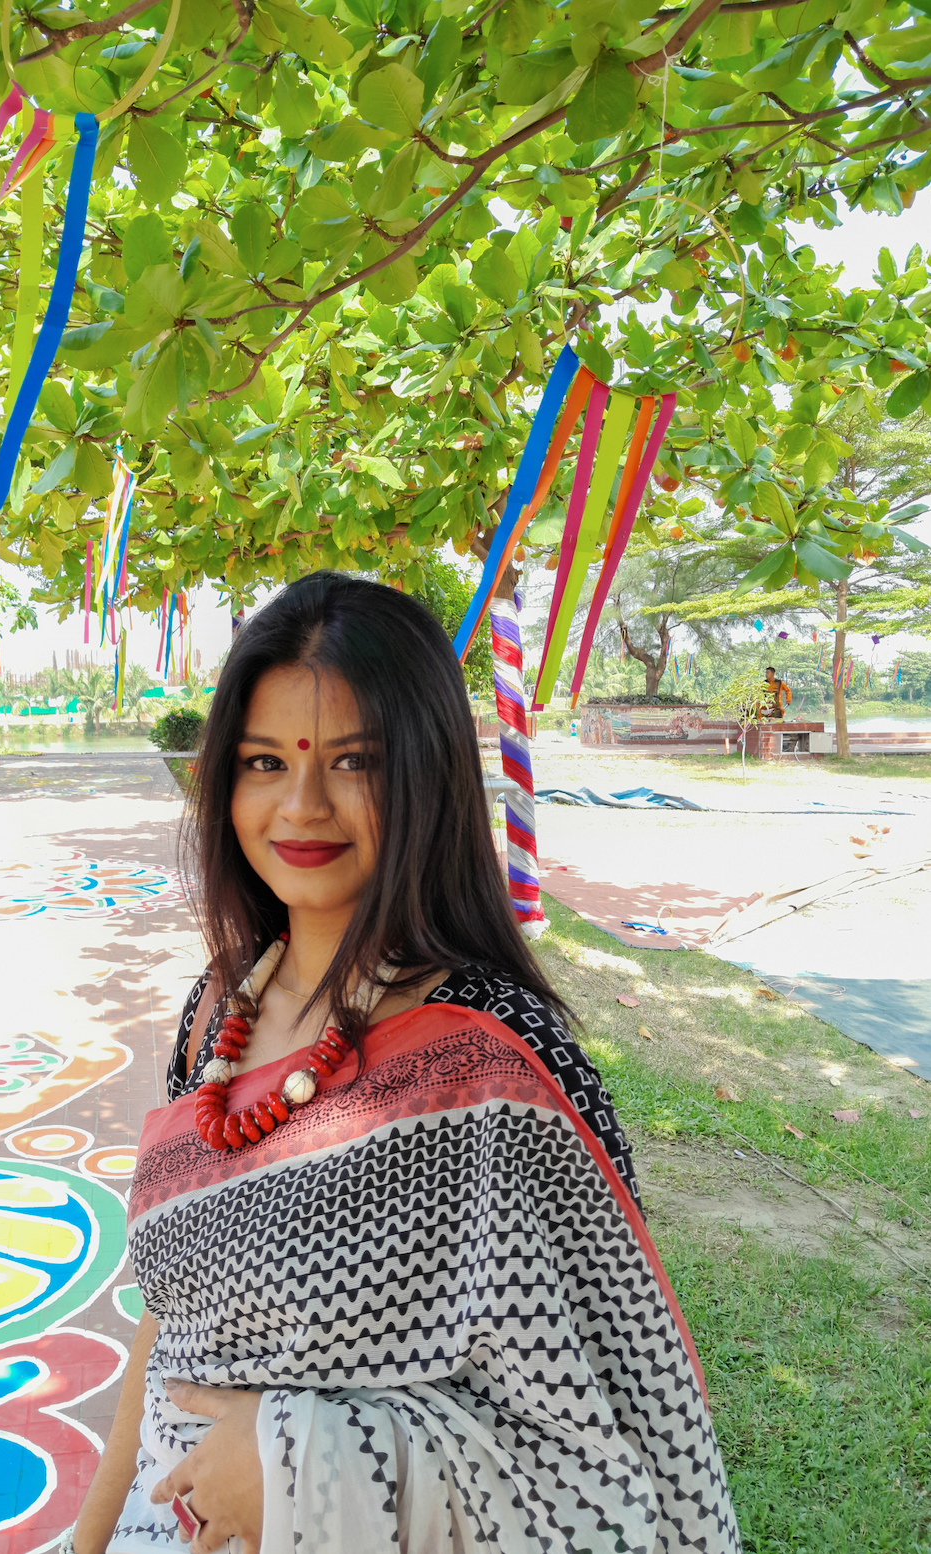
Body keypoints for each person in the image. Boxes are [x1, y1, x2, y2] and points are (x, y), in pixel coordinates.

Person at [65, 574, 738, 1554]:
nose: (301, 805)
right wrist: (87, 1540)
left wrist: (303, 1466)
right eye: (264, 762)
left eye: (355, 762)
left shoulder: (495, 1053)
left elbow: (606, 1442)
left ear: (426, 775)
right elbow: (170, 1322)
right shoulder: (215, 1016)